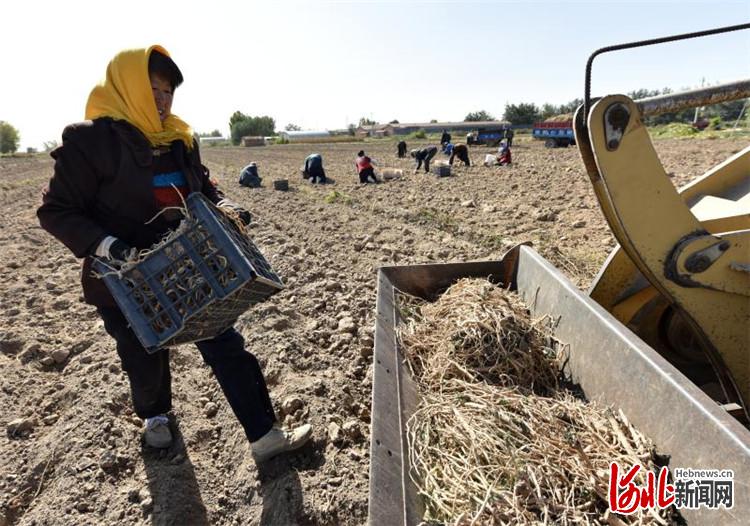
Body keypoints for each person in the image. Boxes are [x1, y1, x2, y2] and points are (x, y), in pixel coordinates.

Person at [37, 45, 312, 462]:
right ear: (128, 87)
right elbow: (56, 210)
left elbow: (201, 188)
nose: (162, 101)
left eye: (168, 92)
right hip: (125, 277)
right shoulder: (90, 141)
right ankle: (156, 417)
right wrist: (108, 247)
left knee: (225, 344)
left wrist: (222, 207)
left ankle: (263, 434)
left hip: (189, 266)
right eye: (153, 90)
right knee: (143, 354)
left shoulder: (180, 139)